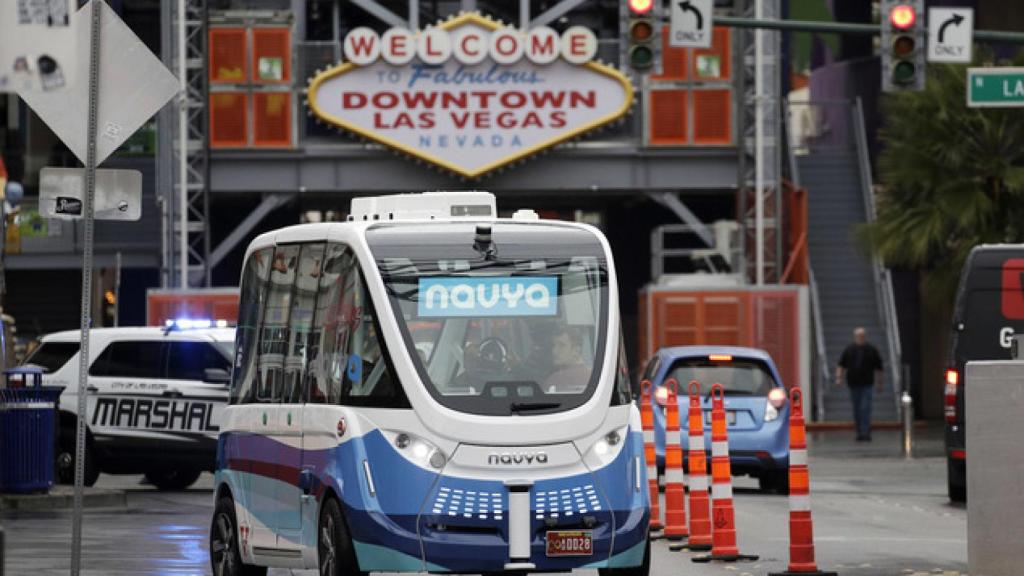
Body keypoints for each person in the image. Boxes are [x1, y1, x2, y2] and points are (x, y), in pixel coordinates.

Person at [836, 327, 884, 442]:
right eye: (858, 335)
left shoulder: (871, 350)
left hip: (867, 383)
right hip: (853, 383)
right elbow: (841, 365)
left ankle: (865, 431)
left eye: (862, 335)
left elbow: (879, 368)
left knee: (865, 408)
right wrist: (839, 378)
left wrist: (880, 383)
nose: (860, 337)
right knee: (857, 408)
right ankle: (859, 431)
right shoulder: (849, 350)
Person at [544, 326, 591, 393]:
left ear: (576, 350)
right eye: (554, 345)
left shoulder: (555, 380)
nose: (554, 351)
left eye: (561, 345)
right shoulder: (593, 377)